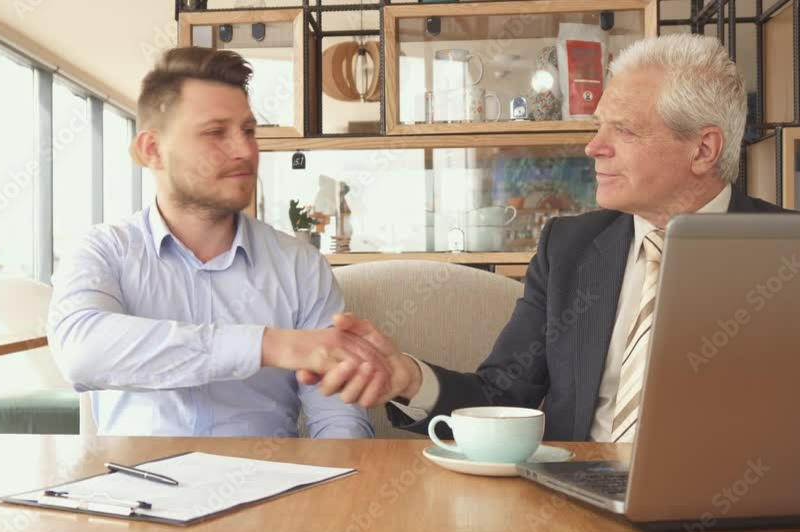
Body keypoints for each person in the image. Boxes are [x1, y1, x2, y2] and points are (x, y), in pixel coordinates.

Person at [304, 34, 792, 442]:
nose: (593, 146)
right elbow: (500, 398)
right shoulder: (569, 249)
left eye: (623, 130)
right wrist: (410, 379)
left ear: (703, 149)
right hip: (582, 511)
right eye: (599, 125)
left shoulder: (786, 253)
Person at [48, 47, 388, 438]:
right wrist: (270, 345)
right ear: (152, 150)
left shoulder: (300, 265)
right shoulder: (103, 251)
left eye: (248, 131)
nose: (245, 151)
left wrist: (335, 492)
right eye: (215, 132)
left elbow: (337, 420)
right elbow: (81, 353)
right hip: (137, 486)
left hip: (269, 484)